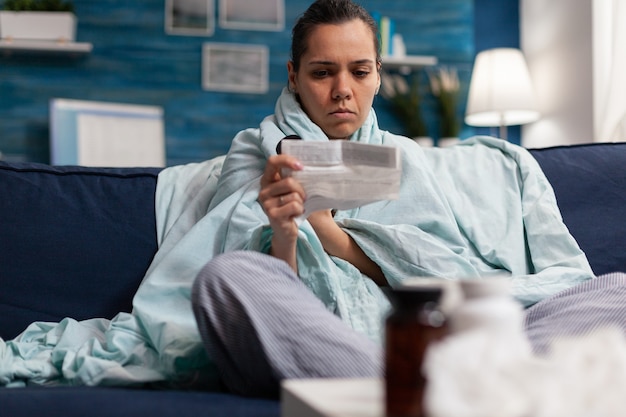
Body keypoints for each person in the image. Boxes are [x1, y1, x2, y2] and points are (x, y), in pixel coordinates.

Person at [190, 0, 610, 400]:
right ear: (293, 76)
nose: (342, 90)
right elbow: (276, 297)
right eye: (322, 73)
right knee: (225, 279)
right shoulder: (254, 150)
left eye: (359, 71)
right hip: (338, 340)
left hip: (433, 334)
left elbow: (445, 274)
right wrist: (284, 235)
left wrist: (333, 237)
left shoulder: (404, 156)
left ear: (377, 75)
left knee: (615, 290)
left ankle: (432, 386)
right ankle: (431, 389)